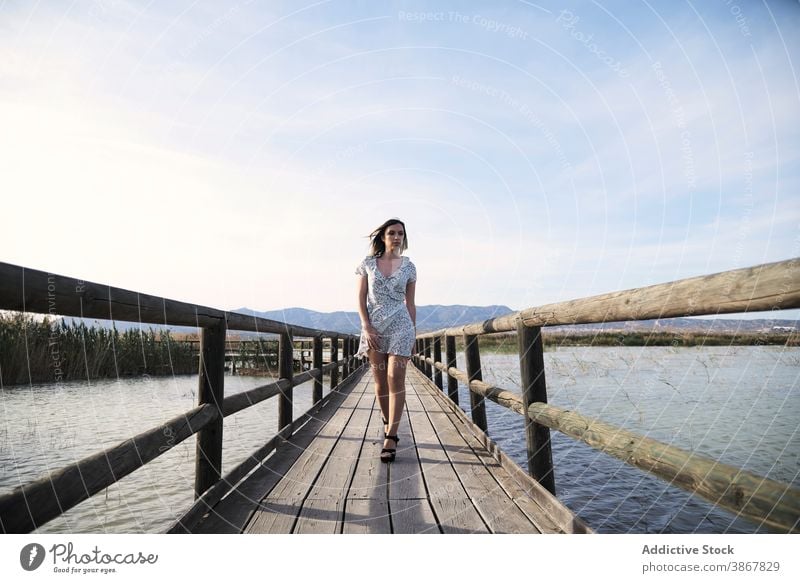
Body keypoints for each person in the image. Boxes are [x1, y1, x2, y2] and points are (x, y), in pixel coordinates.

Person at [355, 218, 417, 463]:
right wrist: (366, 326)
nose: (396, 237)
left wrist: (413, 332)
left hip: (402, 326)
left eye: (400, 233)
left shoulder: (410, 267)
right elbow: (361, 299)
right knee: (380, 381)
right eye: (392, 232)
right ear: (383, 236)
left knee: (394, 378)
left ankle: (391, 435)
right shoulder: (367, 264)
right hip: (375, 327)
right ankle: (386, 419)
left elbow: (410, 304)